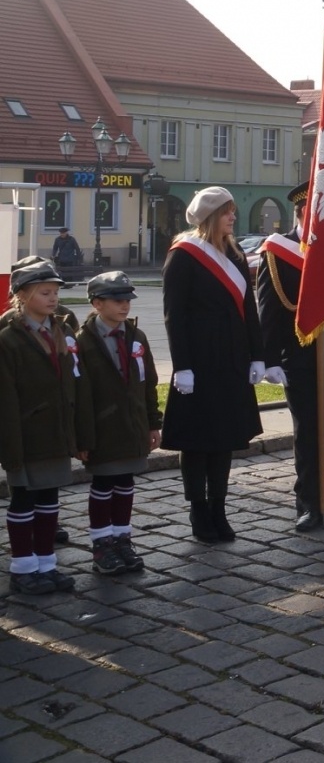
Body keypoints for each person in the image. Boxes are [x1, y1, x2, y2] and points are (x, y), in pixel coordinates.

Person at [161, 187, 265, 543]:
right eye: (226, 212)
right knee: (198, 441)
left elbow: (248, 309)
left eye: (233, 211)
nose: (233, 218)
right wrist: (183, 366)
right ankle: (198, 510)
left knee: (223, 439)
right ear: (209, 218)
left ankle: (219, 507)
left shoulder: (235, 254)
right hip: (199, 360)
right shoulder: (184, 255)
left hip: (231, 359)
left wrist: (257, 354)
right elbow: (175, 316)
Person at [257, 182, 324, 532]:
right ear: (303, 214)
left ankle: (322, 495)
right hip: (298, 356)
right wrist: (268, 359)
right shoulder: (278, 249)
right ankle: (307, 502)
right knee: (307, 431)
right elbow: (269, 308)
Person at [0, 260, 86, 595]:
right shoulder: (9, 340)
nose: (53, 299)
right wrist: (11, 445)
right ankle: (23, 568)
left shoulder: (60, 330)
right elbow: (6, 397)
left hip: (56, 431)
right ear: (23, 295)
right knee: (23, 499)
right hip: (26, 433)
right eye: (45, 292)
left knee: (50, 498)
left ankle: (46, 564)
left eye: (55, 292)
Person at [77, 271, 162, 575]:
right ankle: (102, 544)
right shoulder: (83, 342)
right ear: (97, 303)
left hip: (132, 424)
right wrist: (82, 437)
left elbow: (148, 382)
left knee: (126, 482)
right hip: (102, 428)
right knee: (103, 483)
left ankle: (122, 537)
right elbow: (79, 394)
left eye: (127, 300)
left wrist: (153, 422)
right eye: (117, 300)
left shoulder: (135, 336)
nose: (125, 306)